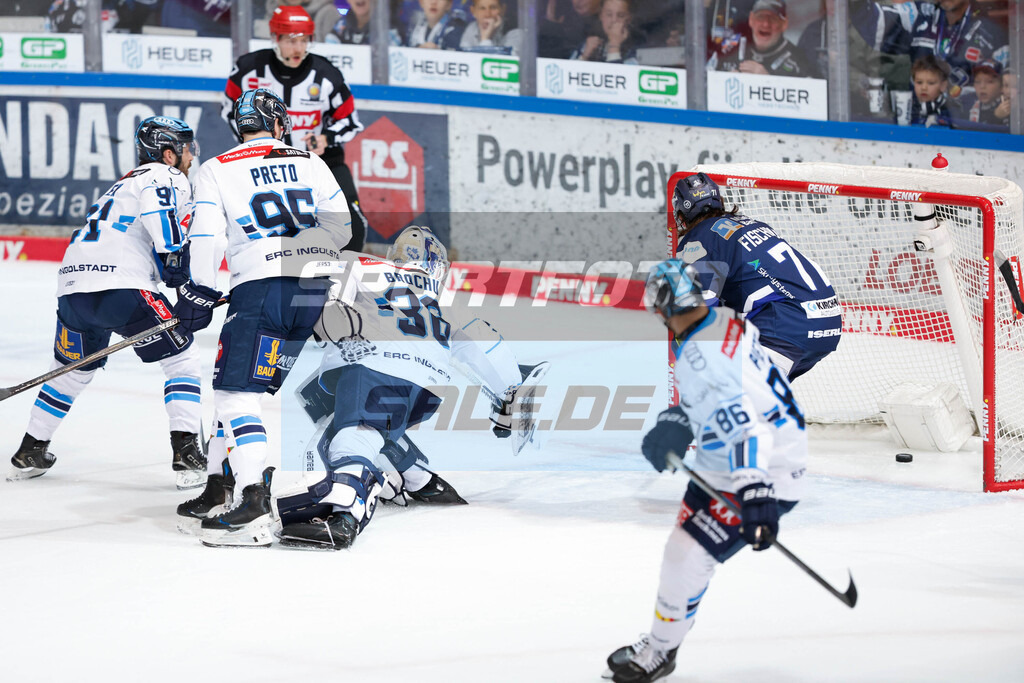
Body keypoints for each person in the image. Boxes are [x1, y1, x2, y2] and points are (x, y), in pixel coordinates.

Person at [603, 260, 807, 683]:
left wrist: (755, 491)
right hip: (735, 457)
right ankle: (662, 643)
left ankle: (660, 652)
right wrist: (680, 418)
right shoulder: (724, 321)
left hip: (760, 468)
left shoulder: (700, 357)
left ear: (660, 310)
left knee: (686, 555)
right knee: (683, 552)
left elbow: (745, 427)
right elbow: (731, 393)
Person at [272, 226, 531, 550]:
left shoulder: (359, 264)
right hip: (427, 386)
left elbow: (323, 311)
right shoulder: (442, 299)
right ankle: (418, 478)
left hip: (373, 365)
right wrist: (510, 394)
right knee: (348, 417)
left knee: (349, 434)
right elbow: (485, 345)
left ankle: (347, 512)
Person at [176, 88, 352, 547]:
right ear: (279, 124)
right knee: (240, 387)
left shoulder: (215, 168)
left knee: (236, 393)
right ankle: (220, 483)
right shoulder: (310, 161)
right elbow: (342, 226)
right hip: (311, 293)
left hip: (262, 289)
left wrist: (201, 291)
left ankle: (254, 499)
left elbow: (208, 239)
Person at [7, 116, 208, 490]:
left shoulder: (119, 186)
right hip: (121, 287)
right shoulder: (165, 176)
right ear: (168, 153)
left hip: (71, 287)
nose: (190, 155)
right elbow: (161, 218)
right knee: (182, 358)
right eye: (185, 147)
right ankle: (186, 453)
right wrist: (177, 273)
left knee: (69, 371)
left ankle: (31, 449)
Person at [222, 5, 369, 253]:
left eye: (304, 40)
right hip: (265, 164)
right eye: (291, 41)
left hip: (321, 163)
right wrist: (253, 143)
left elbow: (351, 121)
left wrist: (327, 137)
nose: (299, 48)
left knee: (353, 224)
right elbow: (229, 111)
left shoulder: (326, 74)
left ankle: (343, 281)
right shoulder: (248, 70)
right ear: (275, 39)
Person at [673, 172, 841, 380]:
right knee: (764, 400)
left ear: (681, 216)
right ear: (720, 201)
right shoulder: (754, 224)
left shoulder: (697, 240)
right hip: (827, 324)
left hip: (786, 326)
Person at [851, 0, 1009, 100]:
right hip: (918, 120)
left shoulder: (992, 33)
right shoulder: (921, 13)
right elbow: (878, 26)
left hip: (966, 128)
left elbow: (1007, 91)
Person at [709, 0, 813, 78]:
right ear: (751, 20)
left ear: (784, 24)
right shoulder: (729, 48)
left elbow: (814, 99)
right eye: (760, 17)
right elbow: (705, 81)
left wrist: (768, 81)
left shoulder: (799, 60)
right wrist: (726, 79)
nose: (766, 24)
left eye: (773, 19)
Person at [570, 0, 640, 65]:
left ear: (628, 19)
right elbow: (568, 72)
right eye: (609, 14)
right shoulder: (587, 44)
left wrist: (614, 45)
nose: (614, 20)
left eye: (620, 15)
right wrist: (584, 55)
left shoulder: (633, 50)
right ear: (601, 16)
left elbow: (617, 76)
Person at [954, 60, 1010, 132]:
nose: (982, 86)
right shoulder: (966, 103)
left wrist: (998, 117)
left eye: (989, 81)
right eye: (977, 82)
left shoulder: (1010, 106)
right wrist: (995, 117)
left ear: (1001, 86)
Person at [909, 54, 953, 128]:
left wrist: (939, 120)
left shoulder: (950, 110)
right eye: (919, 82)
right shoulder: (908, 108)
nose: (924, 88)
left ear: (943, 86)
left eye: (931, 83)